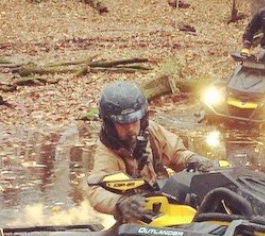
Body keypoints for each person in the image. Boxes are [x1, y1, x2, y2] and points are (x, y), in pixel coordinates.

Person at [88, 81, 214, 221]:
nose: (130, 129)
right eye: (123, 124)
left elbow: (177, 154)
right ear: (110, 124)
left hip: (167, 204)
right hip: (136, 218)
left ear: (142, 118)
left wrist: (192, 160)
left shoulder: (151, 131)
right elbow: (96, 192)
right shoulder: (106, 150)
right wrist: (120, 203)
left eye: (134, 121)